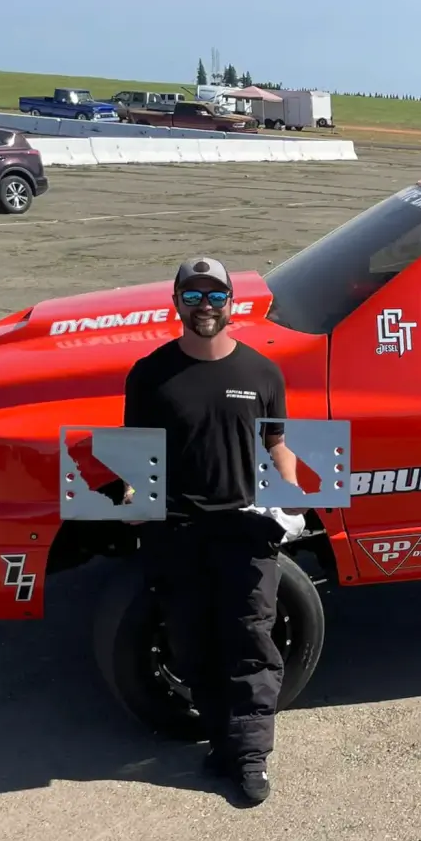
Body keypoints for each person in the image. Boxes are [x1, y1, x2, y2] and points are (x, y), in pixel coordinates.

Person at [122, 257, 303, 805]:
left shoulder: (261, 373)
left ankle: (251, 759)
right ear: (176, 302)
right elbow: (137, 453)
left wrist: (289, 496)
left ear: (231, 303)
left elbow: (277, 445)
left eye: (215, 296)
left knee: (251, 642)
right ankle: (225, 744)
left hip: (246, 530)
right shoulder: (150, 374)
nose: (206, 307)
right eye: (194, 296)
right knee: (191, 644)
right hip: (176, 531)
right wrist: (133, 495)